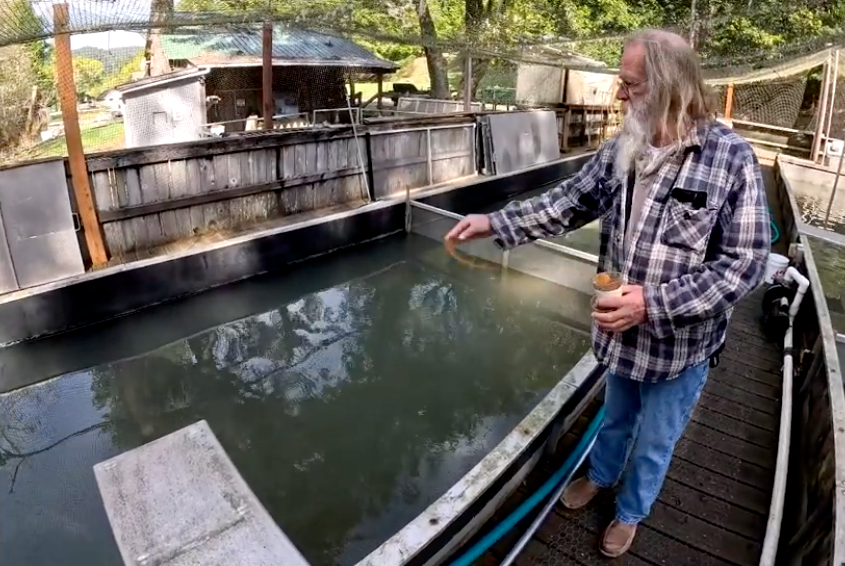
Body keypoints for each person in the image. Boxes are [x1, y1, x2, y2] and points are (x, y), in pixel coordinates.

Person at [444, 29, 770, 558]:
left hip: (679, 346)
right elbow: (570, 201)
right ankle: (598, 476)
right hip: (620, 333)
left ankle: (631, 511)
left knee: (656, 441)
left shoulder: (730, 159)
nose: (619, 95)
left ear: (669, 87)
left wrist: (652, 303)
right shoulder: (627, 145)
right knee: (615, 418)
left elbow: (747, 264)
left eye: (630, 85)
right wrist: (494, 222)